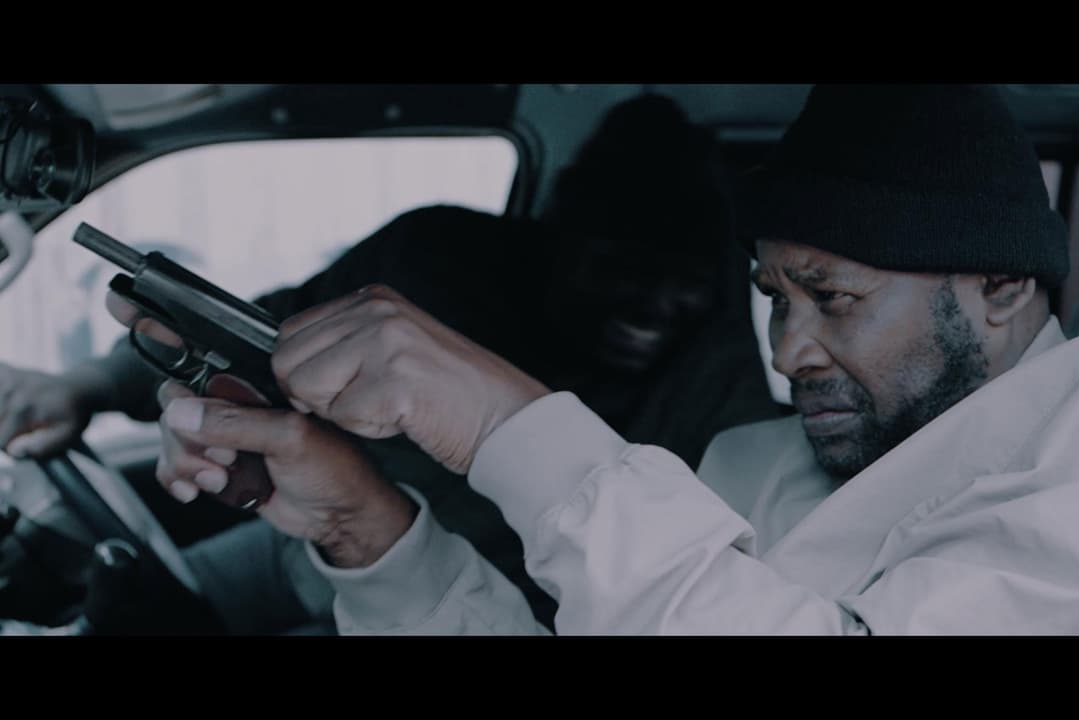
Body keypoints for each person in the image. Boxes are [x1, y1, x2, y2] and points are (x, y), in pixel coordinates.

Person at [133, 84, 1079, 634]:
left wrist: (506, 425)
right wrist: (369, 532)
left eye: (831, 298)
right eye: (771, 298)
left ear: (998, 287)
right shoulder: (748, 465)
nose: (788, 349)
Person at [3, 94, 782, 632]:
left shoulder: (718, 379)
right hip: (307, 535)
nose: (652, 304)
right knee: (140, 603)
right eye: (620, 264)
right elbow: (261, 332)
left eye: (683, 279)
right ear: (558, 233)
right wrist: (86, 385)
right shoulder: (434, 261)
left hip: (498, 606)